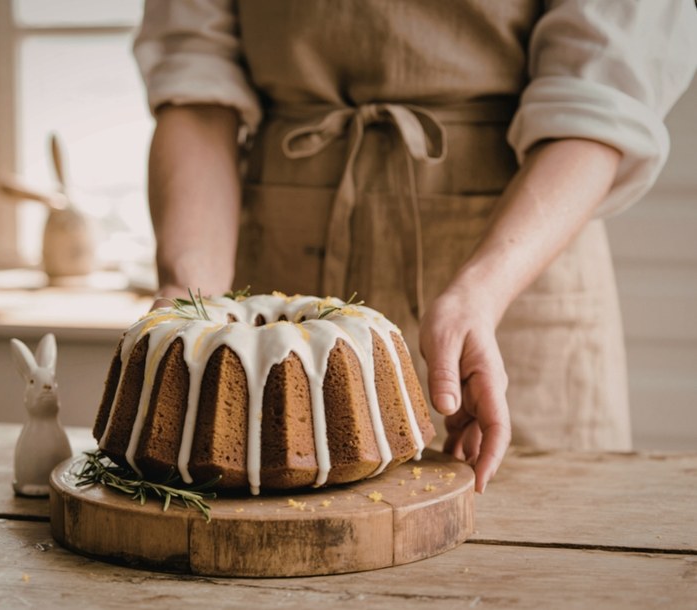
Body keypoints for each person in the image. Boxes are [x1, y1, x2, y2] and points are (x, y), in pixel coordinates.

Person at [133, 1, 697, 492]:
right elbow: (197, 86)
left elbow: (599, 99)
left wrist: (480, 294)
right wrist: (191, 292)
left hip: (514, 269)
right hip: (280, 268)